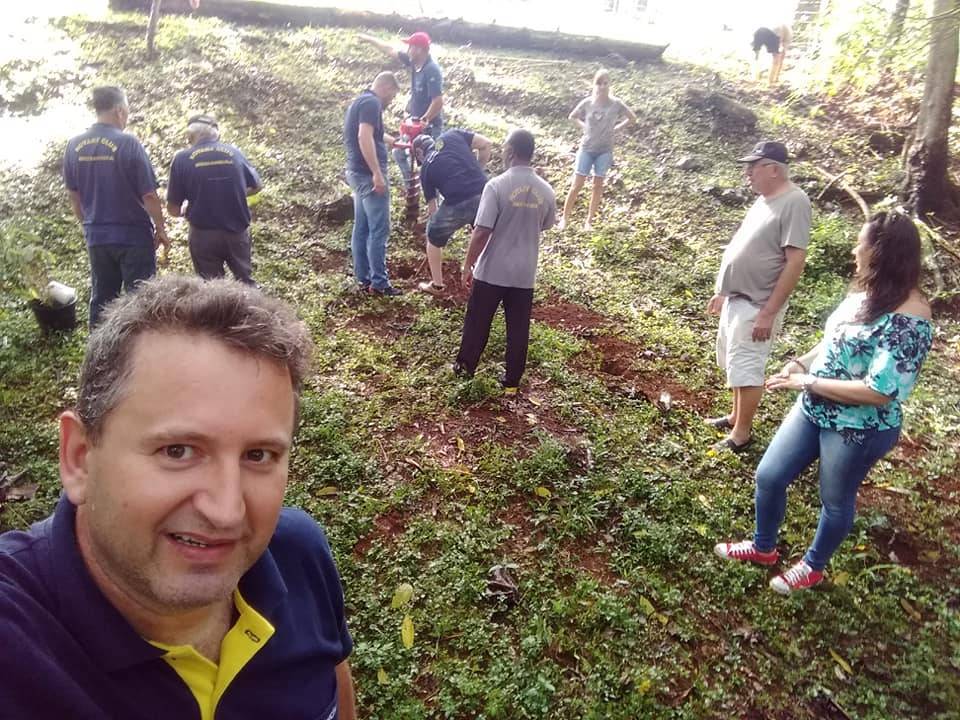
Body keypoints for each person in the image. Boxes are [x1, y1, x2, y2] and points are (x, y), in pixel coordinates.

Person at [0, 275, 356, 717]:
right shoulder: (15, 644)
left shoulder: (298, 554)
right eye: (178, 451)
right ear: (79, 458)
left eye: (258, 455)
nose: (226, 512)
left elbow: (334, 686)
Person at [715, 212, 933, 594]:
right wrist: (801, 363)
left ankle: (813, 567)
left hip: (858, 426)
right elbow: (836, 341)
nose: (854, 250)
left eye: (861, 244)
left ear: (881, 252)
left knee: (834, 500)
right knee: (769, 475)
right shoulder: (868, 292)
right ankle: (764, 548)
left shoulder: (910, 317)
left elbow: (881, 391)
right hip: (813, 407)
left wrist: (808, 381)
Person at [706, 140, 811, 452]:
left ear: (773, 169)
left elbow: (795, 261)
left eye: (753, 167)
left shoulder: (795, 202)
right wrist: (725, 291)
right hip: (739, 298)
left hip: (758, 303)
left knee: (748, 367)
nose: (747, 173)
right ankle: (735, 416)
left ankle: (741, 434)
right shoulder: (764, 200)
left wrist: (768, 312)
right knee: (735, 362)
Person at [454, 129, 556, 394]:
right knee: (518, 328)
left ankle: (465, 370)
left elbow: (481, 231)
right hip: (524, 273)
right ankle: (511, 382)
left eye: (504, 149)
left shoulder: (496, 186)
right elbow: (545, 224)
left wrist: (468, 264)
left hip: (492, 270)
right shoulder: (546, 190)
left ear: (510, 152)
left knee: (478, 322)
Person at [63, 85, 169, 327]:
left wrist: (89, 225)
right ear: (120, 110)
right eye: (127, 110)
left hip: (97, 236)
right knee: (141, 300)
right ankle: (139, 347)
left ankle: (98, 347)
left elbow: (74, 195)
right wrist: (160, 228)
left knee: (102, 298)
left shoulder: (74, 145)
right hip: (133, 236)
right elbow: (149, 195)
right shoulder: (128, 143)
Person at [166, 113, 262, 285]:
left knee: (210, 289)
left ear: (190, 136)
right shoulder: (235, 153)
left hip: (203, 235)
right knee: (245, 284)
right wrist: (235, 193)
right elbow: (257, 186)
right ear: (217, 134)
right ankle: (250, 303)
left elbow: (172, 209)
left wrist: (185, 209)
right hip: (236, 232)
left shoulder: (182, 159)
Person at [411, 129, 493, 294]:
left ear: (419, 153)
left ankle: (437, 285)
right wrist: (477, 170)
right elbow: (486, 144)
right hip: (485, 193)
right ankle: (485, 278)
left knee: (433, 233)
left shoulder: (426, 166)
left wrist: (436, 234)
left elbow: (433, 210)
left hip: (458, 201)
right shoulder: (452, 135)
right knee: (483, 232)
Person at [344, 71, 402, 296]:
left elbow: (372, 134)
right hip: (368, 175)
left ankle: (363, 277)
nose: (391, 101)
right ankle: (379, 283)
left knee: (362, 227)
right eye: (392, 96)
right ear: (386, 88)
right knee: (379, 229)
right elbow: (363, 136)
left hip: (356, 172)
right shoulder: (372, 103)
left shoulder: (361, 101)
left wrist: (392, 141)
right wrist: (377, 173)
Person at [358, 31, 444, 181]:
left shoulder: (431, 70)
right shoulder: (414, 62)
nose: (408, 50)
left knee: (429, 162)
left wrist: (425, 120)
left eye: (411, 47)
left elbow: (438, 101)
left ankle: (433, 192)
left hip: (429, 126)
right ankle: (411, 184)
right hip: (414, 122)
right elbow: (390, 50)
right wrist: (369, 39)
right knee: (399, 152)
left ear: (419, 49)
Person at [558, 68, 636, 231]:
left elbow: (632, 118)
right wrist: (584, 126)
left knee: (597, 185)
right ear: (595, 85)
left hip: (605, 150)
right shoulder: (588, 102)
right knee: (577, 184)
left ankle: (589, 222)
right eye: (599, 83)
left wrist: (616, 128)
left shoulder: (616, 104)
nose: (602, 86)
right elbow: (572, 116)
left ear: (609, 84)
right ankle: (564, 219)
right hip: (587, 148)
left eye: (605, 83)